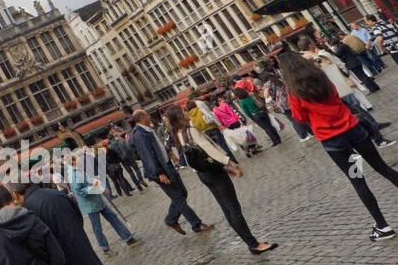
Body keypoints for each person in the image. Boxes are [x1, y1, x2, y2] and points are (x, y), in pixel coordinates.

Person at [282, 53, 398, 243]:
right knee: (383, 168)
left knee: (358, 180)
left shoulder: (294, 92)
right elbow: (337, 97)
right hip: (354, 130)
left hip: (334, 142)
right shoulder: (321, 77)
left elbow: (299, 118)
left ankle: (382, 226)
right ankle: (382, 225)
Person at [166, 107, 278, 255]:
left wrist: (221, 167)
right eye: (184, 111)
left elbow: (197, 158)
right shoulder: (190, 131)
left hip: (203, 173)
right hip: (213, 173)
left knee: (227, 208)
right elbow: (209, 151)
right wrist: (230, 163)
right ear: (180, 116)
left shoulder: (178, 134)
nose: (187, 113)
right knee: (233, 208)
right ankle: (253, 244)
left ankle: (250, 242)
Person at [131, 108, 215, 236]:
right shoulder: (140, 134)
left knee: (182, 193)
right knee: (178, 198)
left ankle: (171, 219)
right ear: (142, 118)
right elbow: (147, 155)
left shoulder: (148, 129)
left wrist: (170, 153)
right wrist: (159, 173)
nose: (149, 116)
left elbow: (158, 146)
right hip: (161, 171)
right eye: (147, 115)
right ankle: (196, 225)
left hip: (168, 165)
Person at [66, 148, 139, 254]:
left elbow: (90, 180)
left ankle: (128, 237)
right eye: (78, 158)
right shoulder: (74, 175)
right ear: (73, 162)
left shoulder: (79, 170)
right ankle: (104, 247)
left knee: (113, 217)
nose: (80, 159)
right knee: (97, 227)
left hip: (97, 200)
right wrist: (94, 187)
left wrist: (100, 187)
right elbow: (80, 191)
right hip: (90, 204)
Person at [107, 126, 147, 192]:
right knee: (136, 169)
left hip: (123, 161)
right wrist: (134, 156)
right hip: (129, 157)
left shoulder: (111, 146)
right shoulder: (121, 140)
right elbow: (129, 148)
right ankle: (140, 179)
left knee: (130, 173)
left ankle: (138, 187)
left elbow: (114, 155)